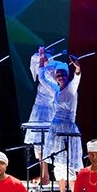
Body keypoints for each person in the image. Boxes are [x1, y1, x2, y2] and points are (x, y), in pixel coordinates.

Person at [44, 57, 83, 192]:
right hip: (55, 128)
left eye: (63, 74)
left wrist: (77, 67)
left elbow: (77, 76)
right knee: (58, 163)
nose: (60, 77)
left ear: (67, 75)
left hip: (68, 129)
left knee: (69, 163)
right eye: (58, 75)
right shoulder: (56, 90)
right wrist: (44, 65)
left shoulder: (71, 88)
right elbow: (43, 78)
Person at [25, 47, 58, 184]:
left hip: (47, 113)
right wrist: (40, 56)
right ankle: (44, 175)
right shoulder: (46, 73)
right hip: (38, 111)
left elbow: (41, 75)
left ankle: (46, 175)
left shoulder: (52, 78)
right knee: (38, 145)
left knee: (44, 144)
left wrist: (43, 58)